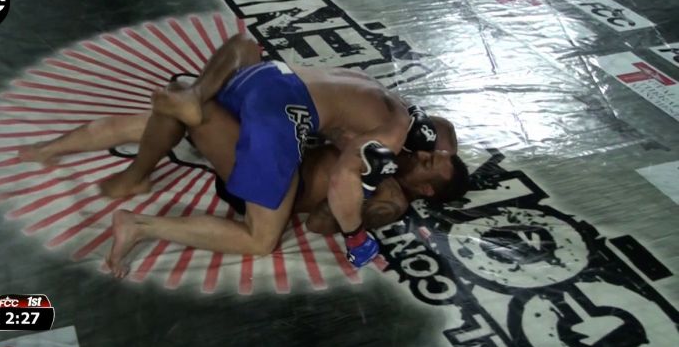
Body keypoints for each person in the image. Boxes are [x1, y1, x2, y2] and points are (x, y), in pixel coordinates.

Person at [93, 33, 466, 271]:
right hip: (276, 136)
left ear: (426, 189)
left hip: (271, 90)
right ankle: (139, 221)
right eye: (427, 151)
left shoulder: (391, 184)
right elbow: (341, 178)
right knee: (260, 241)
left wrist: (365, 198)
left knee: (240, 49)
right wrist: (355, 235)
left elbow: (321, 219)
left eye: (428, 161)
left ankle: (181, 111)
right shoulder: (387, 142)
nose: (420, 155)